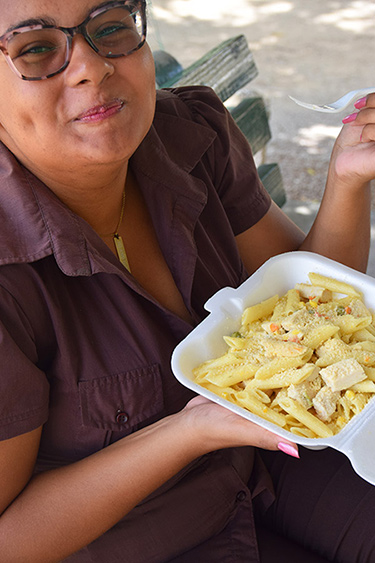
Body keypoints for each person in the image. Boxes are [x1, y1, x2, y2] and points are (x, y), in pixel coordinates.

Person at [0, 1, 374, 561]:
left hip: (264, 470)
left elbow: (312, 302)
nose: (92, 67)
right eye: (35, 49)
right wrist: (188, 431)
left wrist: (347, 180)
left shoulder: (186, 136)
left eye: (110, 30)